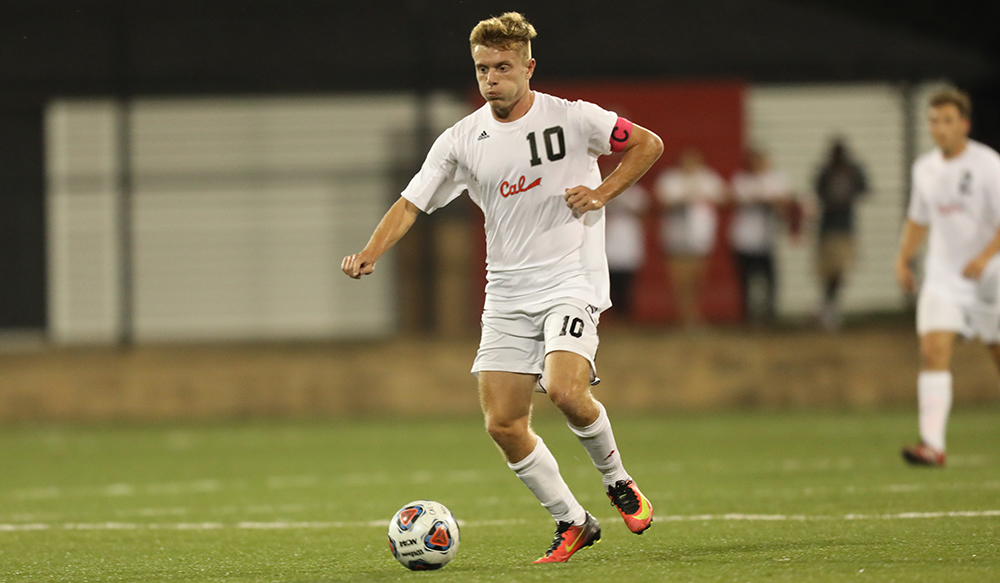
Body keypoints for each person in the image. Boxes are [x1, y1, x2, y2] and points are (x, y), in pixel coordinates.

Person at [341, 13, 663, 562]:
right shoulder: (463, 139)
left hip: (570, 280)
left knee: (564, 390)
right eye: (483, 69)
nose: (492, 79)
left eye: (503, 67)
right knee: (504, 424)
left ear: (529, 67)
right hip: (508, 294)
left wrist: (602, 192)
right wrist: (371, 252)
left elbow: (648, 144)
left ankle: (616, 480)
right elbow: (410, 201)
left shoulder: (574, 118)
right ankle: (572, 521)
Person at [895, 87, 1000, 467]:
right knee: (932, 351)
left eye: (947, 121)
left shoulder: (989, 164)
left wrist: (985, 256)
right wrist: (903, 259)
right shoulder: (924, 168)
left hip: (991, 276)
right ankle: (932, 445)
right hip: (943, 278)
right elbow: (918, 219)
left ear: (965, 125)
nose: (938, 128)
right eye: (933, 120)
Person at [655, 148, 725, 327]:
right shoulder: (671, 179)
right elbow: (662, 198)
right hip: (676, 234)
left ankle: (693, 314)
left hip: (700, 235)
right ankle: (683, 315)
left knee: (697, 279)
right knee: (680, 279)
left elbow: (723, 196)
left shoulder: (708, 178)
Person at [728, 147, 794, 324]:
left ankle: (769, 315)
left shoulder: (777, 179)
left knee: (769, 280)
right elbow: (735, 198)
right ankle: (748, 317)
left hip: (767, 239)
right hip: (744, 239)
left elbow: (786, 201)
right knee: (747, 280)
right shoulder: (742, 180)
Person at [814, 138, 868, 330]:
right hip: (828, 228)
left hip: (845, 228)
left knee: (841, 270)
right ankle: (828, 307)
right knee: (828, 271)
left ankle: (829, 306)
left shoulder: (852, 171)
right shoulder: (826, 172)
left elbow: (865, 189)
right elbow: (818, 192)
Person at [605, 182, 649, 321]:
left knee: (626, 284)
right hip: (608, 242)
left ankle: (625, 318)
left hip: (628, 243)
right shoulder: (601, 190)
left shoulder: (635, 193)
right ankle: (612, 318)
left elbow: (643, 213)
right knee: (609, 284)